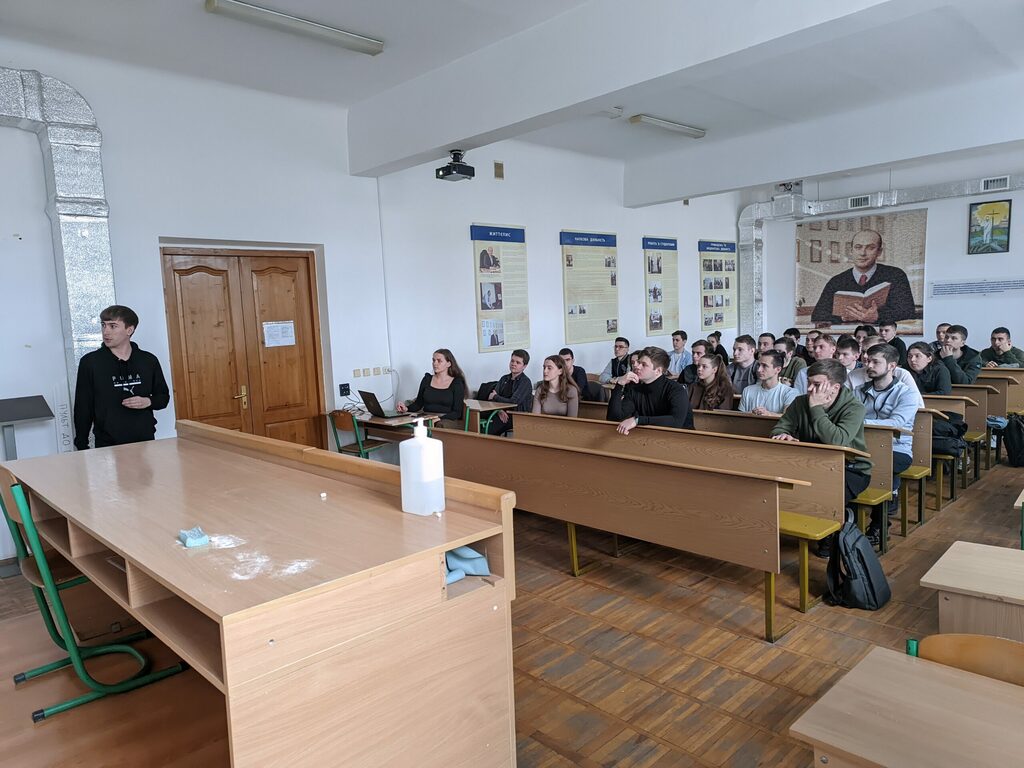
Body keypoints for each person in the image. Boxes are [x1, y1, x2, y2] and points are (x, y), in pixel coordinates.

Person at [771, 359, 872, 555]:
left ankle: (833, 537)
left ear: (835, 387)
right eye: (809, 383)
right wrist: (783, 435)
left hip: (851, 469)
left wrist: (816, 408)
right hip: (811, 464)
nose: (809, 389)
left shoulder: (854, 407)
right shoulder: (800, 402)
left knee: (825, 493)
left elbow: (837, 441)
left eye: (816, 384)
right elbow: (780, 427)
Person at [74, 305, 169, 450]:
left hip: (145, 441)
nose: (106, 331)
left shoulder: (148, 361)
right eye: (103, 325)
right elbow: (83, 407)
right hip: (107, 444)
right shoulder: (90, 362)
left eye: (113, 326)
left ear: (129, 330)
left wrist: (148, 401)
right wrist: (81, 444)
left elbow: (163, 398)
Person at [854, 344, 918, 547]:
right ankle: (847, 526)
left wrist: (859, 423)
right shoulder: (858, 390)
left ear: (891, 366)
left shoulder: (907, 394)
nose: (869, 365)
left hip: (897, 448)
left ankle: (879, 526)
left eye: (875, 362)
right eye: (867, 361)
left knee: (881, 467)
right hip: (863, 446)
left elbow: (895, 423)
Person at [811, 229, 917, 325]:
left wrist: (877, 316)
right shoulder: (836, 281)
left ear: (879, 252)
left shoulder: (895, 275)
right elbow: (817, 315)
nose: (862, 253)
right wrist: (843, 317)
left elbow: (908, 312)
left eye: (870, 248)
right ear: (851, 251)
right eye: (858, 247)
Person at [607, 347, 692, 433]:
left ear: (658, 371)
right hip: (648, 437)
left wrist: (638, 420)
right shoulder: (634, 389)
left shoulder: (677, 390)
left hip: (682, 438)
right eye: (639, 362)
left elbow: (676, 422)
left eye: (644, 365)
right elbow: (613, 419)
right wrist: (619, 384)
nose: (637, 367)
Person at [397, 348, 467, 427]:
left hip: (447, 418)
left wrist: (439, 418)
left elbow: (457, 412)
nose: (435, 363)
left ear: (448, 364)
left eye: (439, 361)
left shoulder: (457, 383)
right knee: (407, 424)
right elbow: (418, 404)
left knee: (439, 425)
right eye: (433, 360)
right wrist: (406, 408)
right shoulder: (427, 379)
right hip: (427, 417)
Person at [848, 337, 923, 405]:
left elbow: (919, 405)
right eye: (863, 352)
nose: (865, 356)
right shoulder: (852, 375)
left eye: (872, 352)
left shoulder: (902, 374)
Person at [486, 349, 533, 435]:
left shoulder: (525, 382)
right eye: (512, 361)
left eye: (518, 362)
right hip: (500, 413)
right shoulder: (504, 378)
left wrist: (496, 396)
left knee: (489, 430)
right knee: (481, 425)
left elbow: (514, 402)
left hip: (516, 416)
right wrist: (499, 410)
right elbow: (491, 399)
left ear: (524, 366)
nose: (513, 364)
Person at [739, 350, 797, 417]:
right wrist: (751, 414)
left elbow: (788, 418)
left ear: (778, 369)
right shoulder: (748, 390)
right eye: (758, 365)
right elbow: (740, 418)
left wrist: (769, 414)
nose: (759, 370)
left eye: (764, 366)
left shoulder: (790, 393)